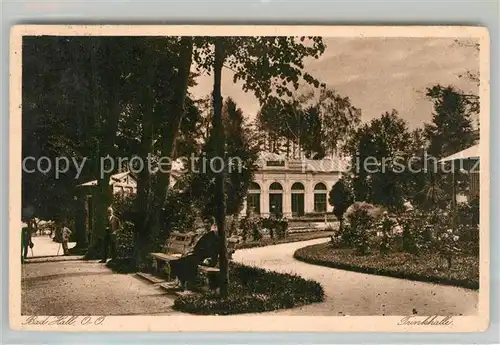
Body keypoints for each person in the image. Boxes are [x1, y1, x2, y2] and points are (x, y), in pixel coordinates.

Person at [169, 217, 220, 291]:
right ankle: (181, 283)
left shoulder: (214, 235)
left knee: (186, 262)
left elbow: (215, 250)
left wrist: (209, 259)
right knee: (178, 261)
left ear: (212, 224)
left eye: (208, 223)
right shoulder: (205, 234)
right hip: (198, 256)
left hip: (207, 259)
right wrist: (190, 252)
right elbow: (197, 247)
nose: (206, 224)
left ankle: (185, 284)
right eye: (204, 222)